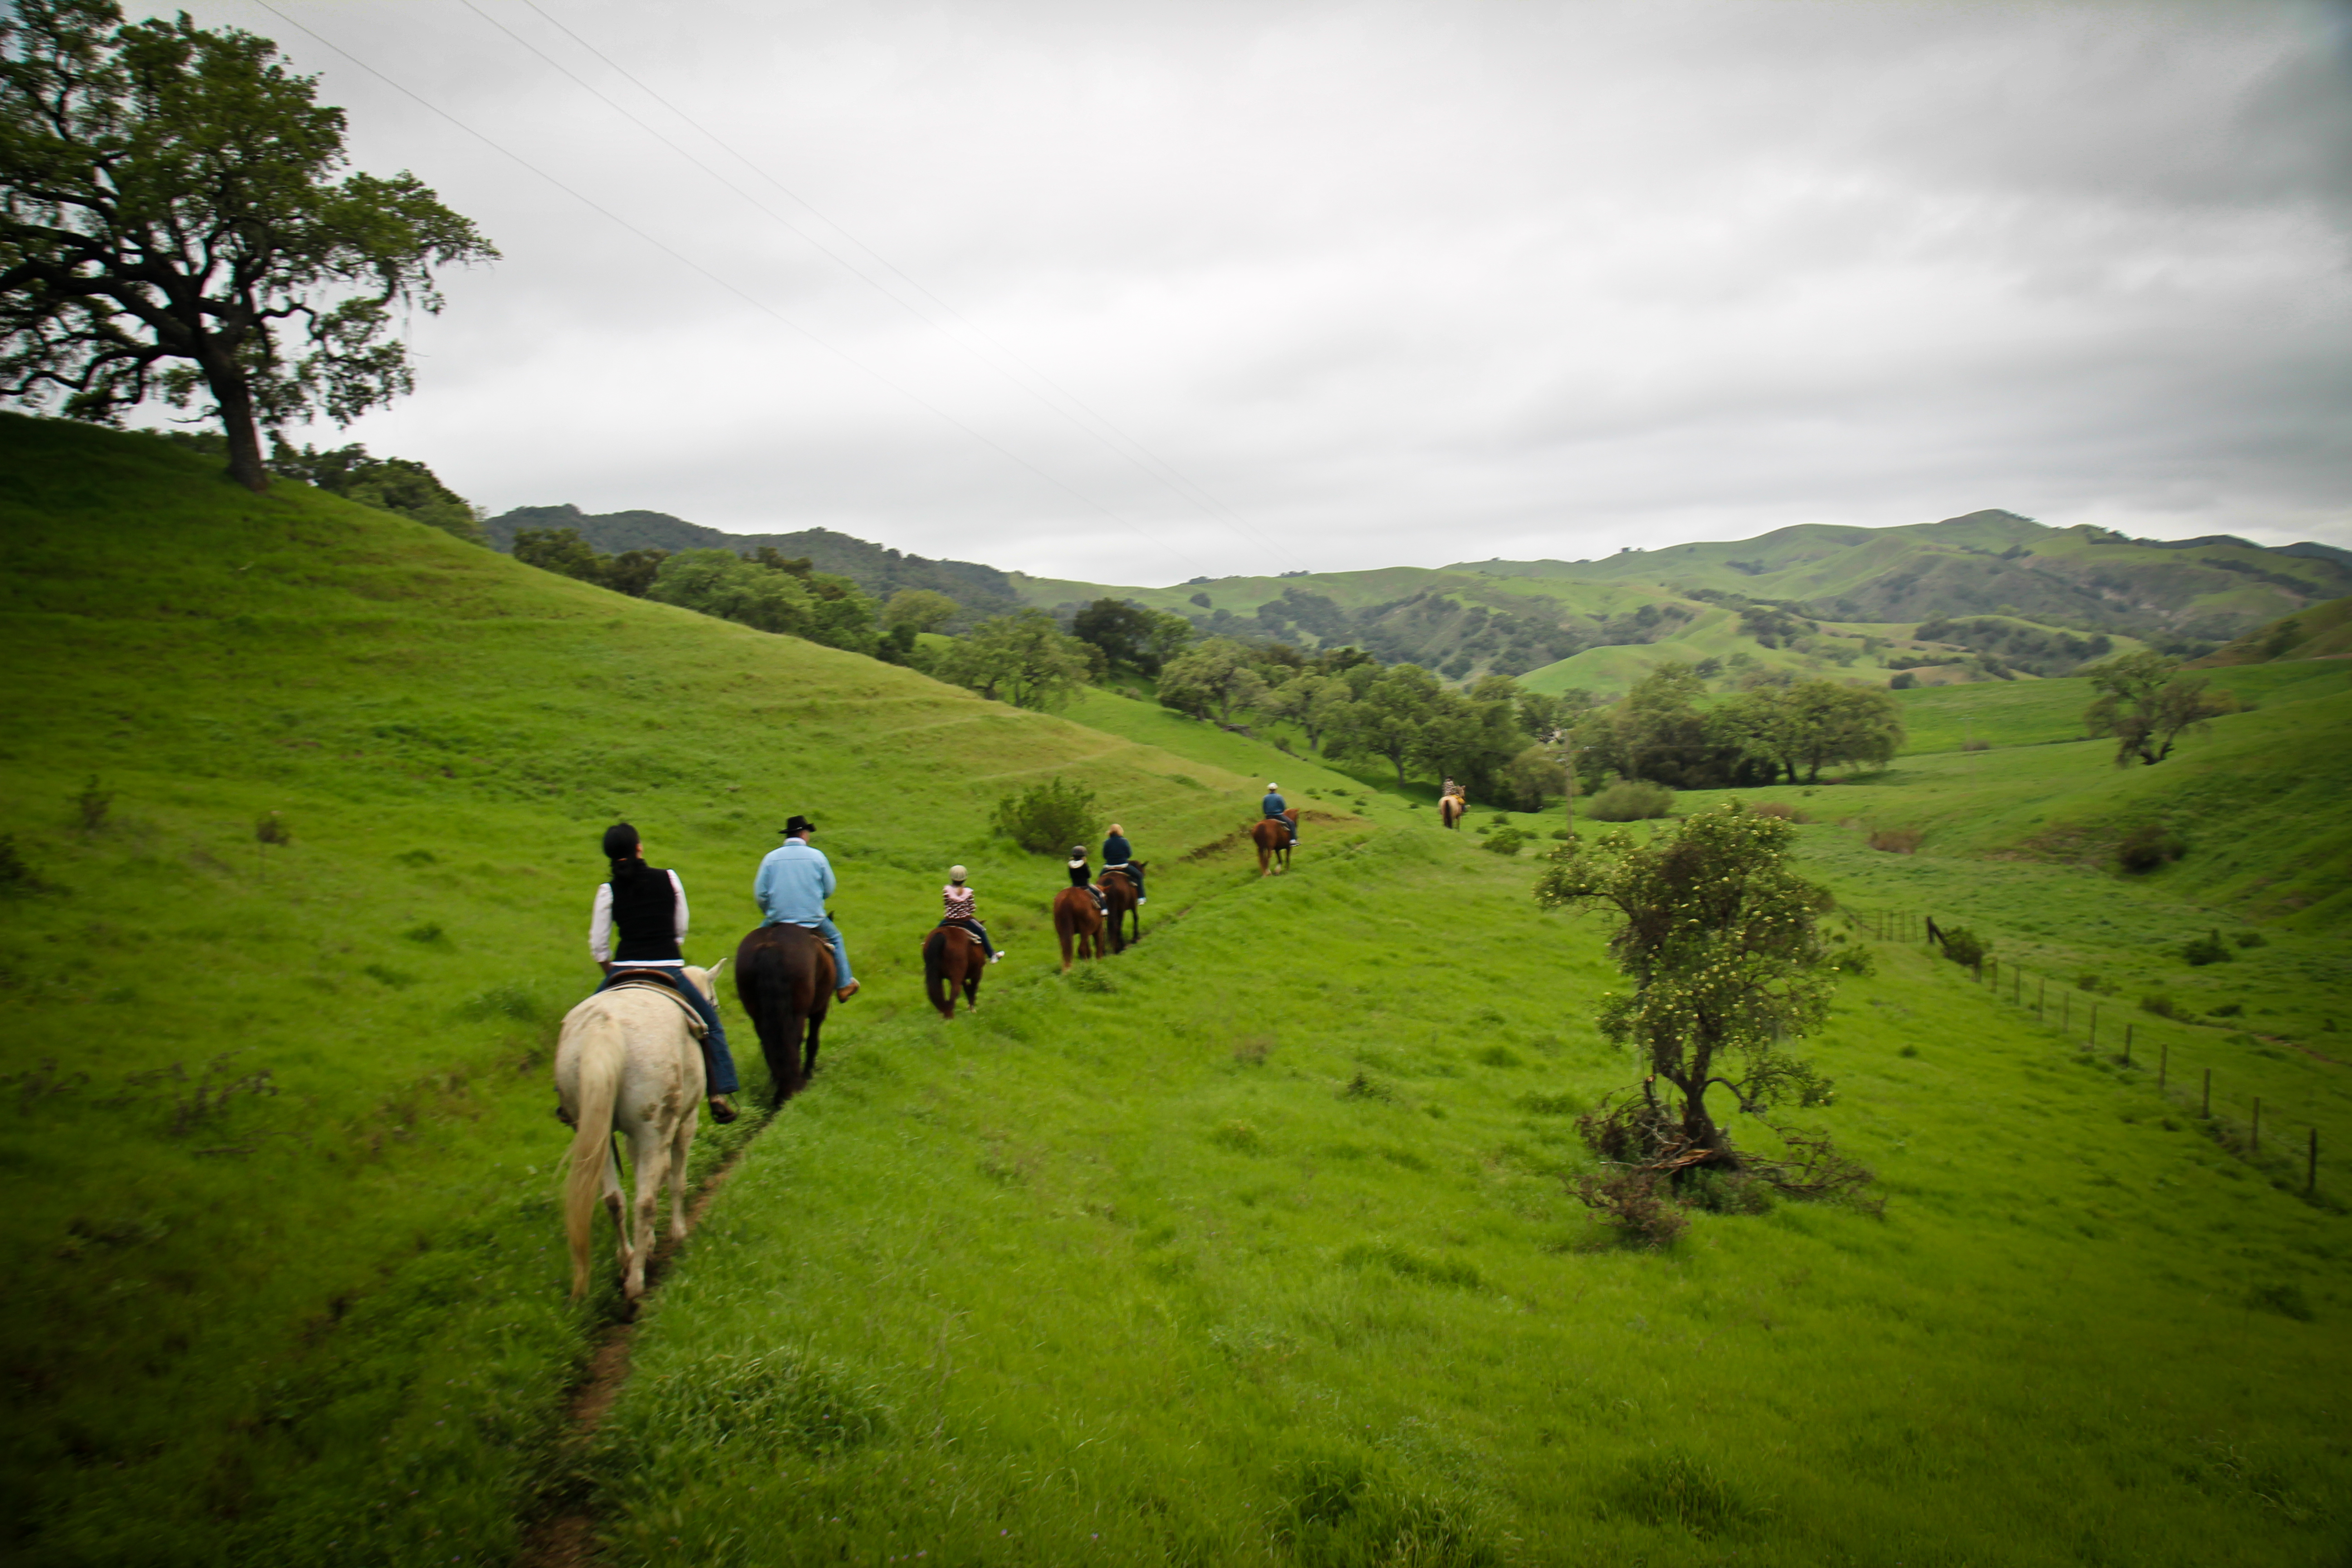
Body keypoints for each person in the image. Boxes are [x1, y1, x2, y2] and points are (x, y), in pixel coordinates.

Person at [585, 822, 739, 1123]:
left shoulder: (608, 891)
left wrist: (614, 970)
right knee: (712, 1026)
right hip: (668, 970)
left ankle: (567, 1096)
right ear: (639, 848)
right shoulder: (669, 879)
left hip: (622, 971)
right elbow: (679, 931)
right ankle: (720, 1091)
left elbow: (599, 947)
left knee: (577, 1022)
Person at [753, 815, 859, 1002]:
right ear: (803, 834)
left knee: (755, 944)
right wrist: (815, 899)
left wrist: (770, 912)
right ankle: (843, 985)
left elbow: (761, 894)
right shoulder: (817, 856)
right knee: (836, 938)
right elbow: (829, 888)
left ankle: (750, 985)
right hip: (812, 917)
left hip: (778, 918)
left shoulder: (770, 858)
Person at [940, 865, 1002, 962]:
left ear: (951, 878)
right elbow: (972, 908)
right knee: (982, 930)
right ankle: (992, 955)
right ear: (965, 879)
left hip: (949, 919)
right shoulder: (969, 892)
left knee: (936, 932)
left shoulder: (947, 890)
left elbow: (946, 904)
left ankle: (927, 944)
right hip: (965, 920)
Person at [1100, 823, 1145, 903]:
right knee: (1139, 876)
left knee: (1100, 879)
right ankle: (1141, 898)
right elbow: (1129, 854)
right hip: (1123, 865)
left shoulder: (1106, 842)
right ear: (1120, 831)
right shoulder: (1124, 841)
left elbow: (1104, 855)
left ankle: (1100, 898)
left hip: (1109, 866)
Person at [1067, 844, 1107, 916]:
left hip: (1074, 886)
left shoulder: (1070, 864)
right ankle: (1104, 910)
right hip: (1085, 886)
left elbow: (1071, 876)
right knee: (1099, 893)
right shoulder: (1084, 864)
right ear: (1083, 856)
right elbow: (1089, 875)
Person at [1261, 781, 1297, 846]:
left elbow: (1264, 808)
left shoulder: (1265, 798)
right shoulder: (1279, 797)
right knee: (1291, 823)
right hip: (1278, 816)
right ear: (1276, 789)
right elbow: (1283, 807)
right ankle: (1293, 840)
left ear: (1269, 790)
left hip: (1268, 816)